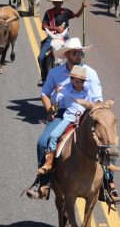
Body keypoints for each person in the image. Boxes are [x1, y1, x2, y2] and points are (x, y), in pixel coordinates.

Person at [26, 66, 98, 199]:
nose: (79, 84)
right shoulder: (61, 82)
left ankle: (108, 184)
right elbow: (52, 99)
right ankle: (47, 168)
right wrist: (55, 93)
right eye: (77, 81)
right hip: (67, 118)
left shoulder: (90, 86)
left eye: (82, 81)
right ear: (71, 80)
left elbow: (96, 101)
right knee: (51, 137)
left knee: (104, 141)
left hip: (84, 119)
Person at [38, 0, 87, 82]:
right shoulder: (48, 13)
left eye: (59, 2)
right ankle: (44, 77)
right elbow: (43, 26)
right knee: (41, 57)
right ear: (53, 3)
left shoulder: (66, 12)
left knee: (77, 53)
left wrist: (82, 7)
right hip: (51, 37)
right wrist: (55, 28)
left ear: (62, 3)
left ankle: (79, 74)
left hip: (64, 37)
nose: (58, 4)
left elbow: (77, 15)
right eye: (56, 3)